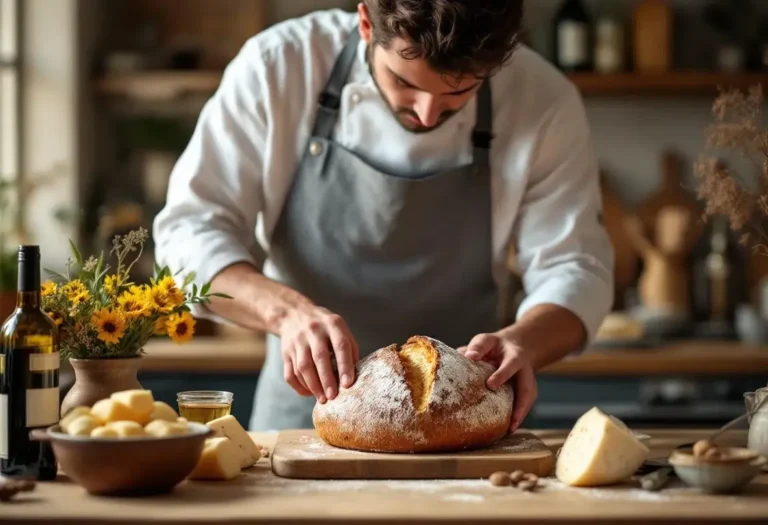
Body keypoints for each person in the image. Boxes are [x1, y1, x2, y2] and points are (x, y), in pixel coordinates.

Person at [153, 1, 614, 432]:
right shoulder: (280, 66)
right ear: (366, 25)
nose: (428, 112)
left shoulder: (544, 99)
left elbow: (575, 267)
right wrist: (287, 313)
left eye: (461, 91)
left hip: (465, 418)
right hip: (305, 413)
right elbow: (190, 232)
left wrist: (526, 341)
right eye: (406, 83)